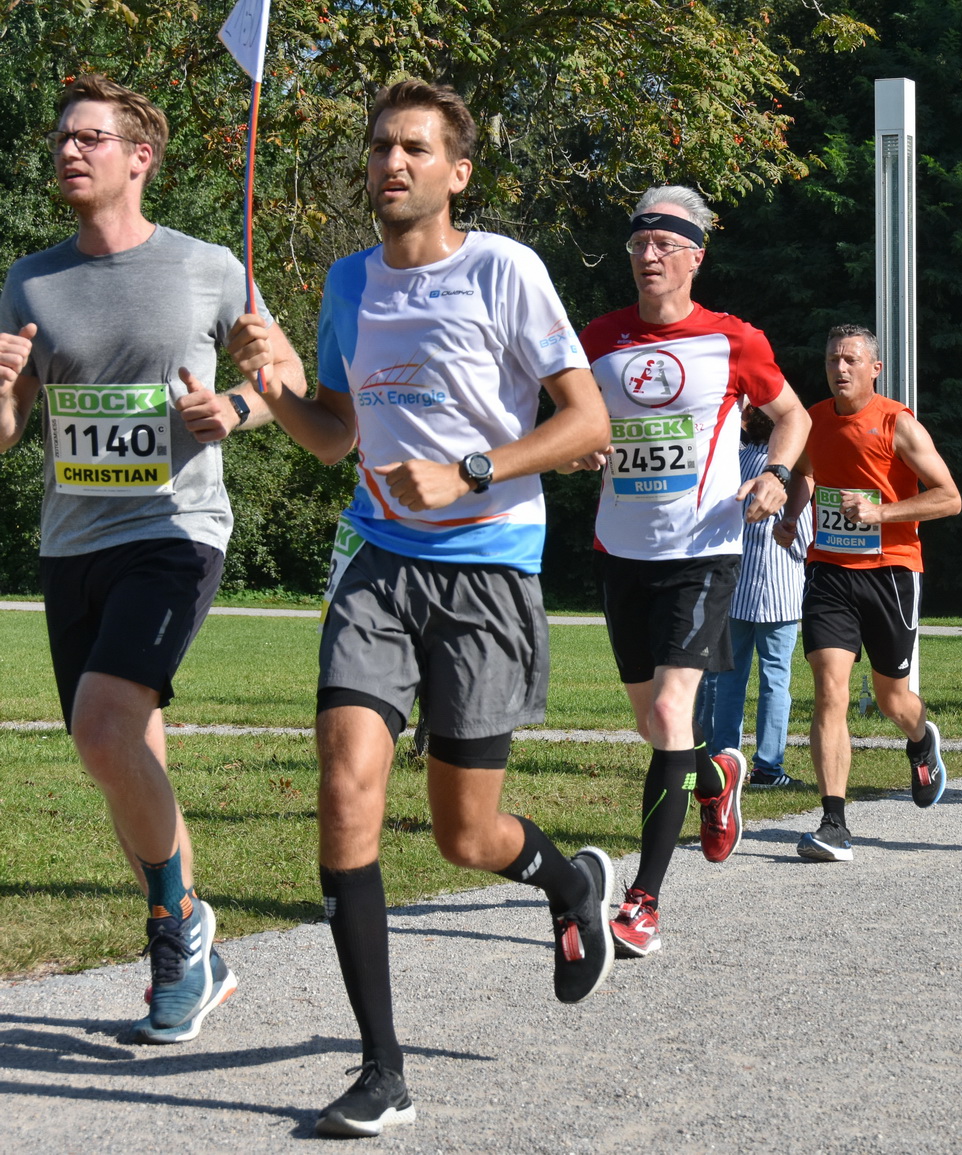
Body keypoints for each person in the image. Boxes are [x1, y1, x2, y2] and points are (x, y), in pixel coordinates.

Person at [253, 80, 614, 1134]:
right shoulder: (347, 283)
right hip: (375, 561)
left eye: (413, 148)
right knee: (345, 785)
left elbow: (585, 421)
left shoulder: (503, 269)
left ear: (457, 171)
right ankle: (381, 1070)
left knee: (464, 835)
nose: (390, 164)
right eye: (377, 148)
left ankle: (563, 882)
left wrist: (471, 468)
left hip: (490, 567)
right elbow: (333, 435)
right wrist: (276, 384)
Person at [0, 75, 304, 1045]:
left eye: (89, 136)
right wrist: (6, 393)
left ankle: (175, 930)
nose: (68, 152)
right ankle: (198, 952)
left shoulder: (206, 267)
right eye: (61, 139)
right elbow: (6, 433)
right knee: (124, 751)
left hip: (176, 532)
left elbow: (283, 374)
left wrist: (235, 410)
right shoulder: (30, 280)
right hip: (72, 543)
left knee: (99, 727)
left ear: (141, 157)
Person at [577, 185, 811, 944]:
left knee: (675, 713)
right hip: (622, 550)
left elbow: (794, 415)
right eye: (638, 245)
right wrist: (577, 444)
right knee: (654, 724)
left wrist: (775, 474)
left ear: (694, 258)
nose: (648, 257)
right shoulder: (598, 339)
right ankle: (717, 780)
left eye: (663, 245)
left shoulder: (732, 339)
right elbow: (564, 419)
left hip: (704, 549)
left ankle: (643, 897)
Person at [774, 324, 961, 861]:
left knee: (891, 700)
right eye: (834, 358)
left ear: (874, 368)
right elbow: (806, 474)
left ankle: (921, 738)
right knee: (830, 690)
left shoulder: (897, 423)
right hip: (829, 570)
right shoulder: (810, 421)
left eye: (852, 359)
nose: (841, 368)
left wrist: (883, 511)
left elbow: (949, 498)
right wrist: (792, 513)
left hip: (891, 573)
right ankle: (834, 822)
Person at [699, 404, 814, 786]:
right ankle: (768, 766)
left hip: (736, 585)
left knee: (729, 679)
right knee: (775, 680)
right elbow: (802, 533)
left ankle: (722, 758)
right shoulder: (788, 470)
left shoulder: (736, 460)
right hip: (780, 588)